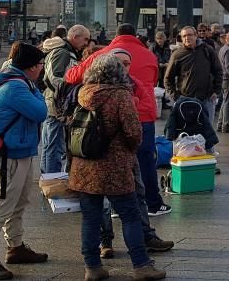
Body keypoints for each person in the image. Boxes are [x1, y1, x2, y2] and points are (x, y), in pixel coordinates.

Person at [69, 55, 166, 281]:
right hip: (115, 165)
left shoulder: (83, 93)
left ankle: (92, 267)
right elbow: (134, 132)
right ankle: (142, 266)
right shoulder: (121, 95)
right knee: (130, 215)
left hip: (84, 166)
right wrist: (129, 147)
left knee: (90, 218)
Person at [63, 23, 172, 218]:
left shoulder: (105, 53)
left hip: (110, 115)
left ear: (116, 35)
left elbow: (72, 77)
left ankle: (116, 206)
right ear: (136, 35)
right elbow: (155, 79)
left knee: (115, 162)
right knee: (145, 160)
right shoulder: (149, 55)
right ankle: (153, 203)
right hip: (144, 114)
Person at [0, 43, 48, 280]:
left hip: (20, 151)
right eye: (40, 65)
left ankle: (15, 247)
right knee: (0, 206)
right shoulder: (14, 88)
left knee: (19, 203)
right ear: (30, 67)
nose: (42, 69)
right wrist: (35, 89)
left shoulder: (19, 82)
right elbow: (40, 112)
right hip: (9, 156)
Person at [40, 24, 90, 173]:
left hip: (56, 102)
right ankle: (52, 180)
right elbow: (54, 77)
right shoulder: (62, 52)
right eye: (85, 39)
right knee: (54, 146)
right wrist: (72, 92)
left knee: (51, 144)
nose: (86, 43)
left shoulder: (66, 51)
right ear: (75, 36)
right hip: (57, 104)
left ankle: (48, 179)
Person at [164, 25, 221, 125]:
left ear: (196, 36)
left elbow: (218, 71)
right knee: (189, 132)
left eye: (190, 35)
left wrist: (217, 91)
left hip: (206, 98)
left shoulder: (207, 50)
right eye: (184, 36)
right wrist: (176, 96)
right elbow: (168, 78)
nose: (187, 38)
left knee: (207, 132)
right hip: (186, 99)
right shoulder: (177, 54)